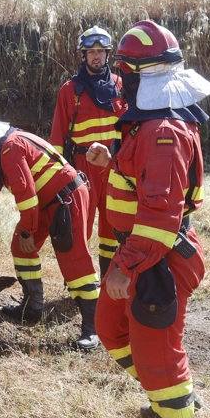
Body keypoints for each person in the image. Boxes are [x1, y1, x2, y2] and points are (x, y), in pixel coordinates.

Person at [85, 19, 210, 418]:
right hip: (142, 252)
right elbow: (143, 182)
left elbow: (160, 218)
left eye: (128, 72)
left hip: (156, 257)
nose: (123, 80)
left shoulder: (163, 132)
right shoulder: (156, 124)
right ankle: (170, 398)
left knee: (157, 351)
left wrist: (125, 267)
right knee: (110, 326)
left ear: (143, 76)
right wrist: (112, 158)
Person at [0, 111, 101, 350]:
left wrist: (29, 230)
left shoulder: (9, 149)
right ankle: (32, 309)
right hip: (48, 202)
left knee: (74, 261)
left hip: (65, 199)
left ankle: (93, 328)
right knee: (20, 247)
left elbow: (27, 197)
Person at [49, 26, 128, 279]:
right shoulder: (69, 90)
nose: (96, 56)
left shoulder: (120, 85)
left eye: (101, 52)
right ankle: (81, 284)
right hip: (83, 167)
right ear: (82, 55)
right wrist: (56, 176)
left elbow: (129, 128)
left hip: (114, 165)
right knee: (79, 225)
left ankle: (107, 279)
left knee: (113, 223)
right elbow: (58, 137)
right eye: (91, 52)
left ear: (108, 55)